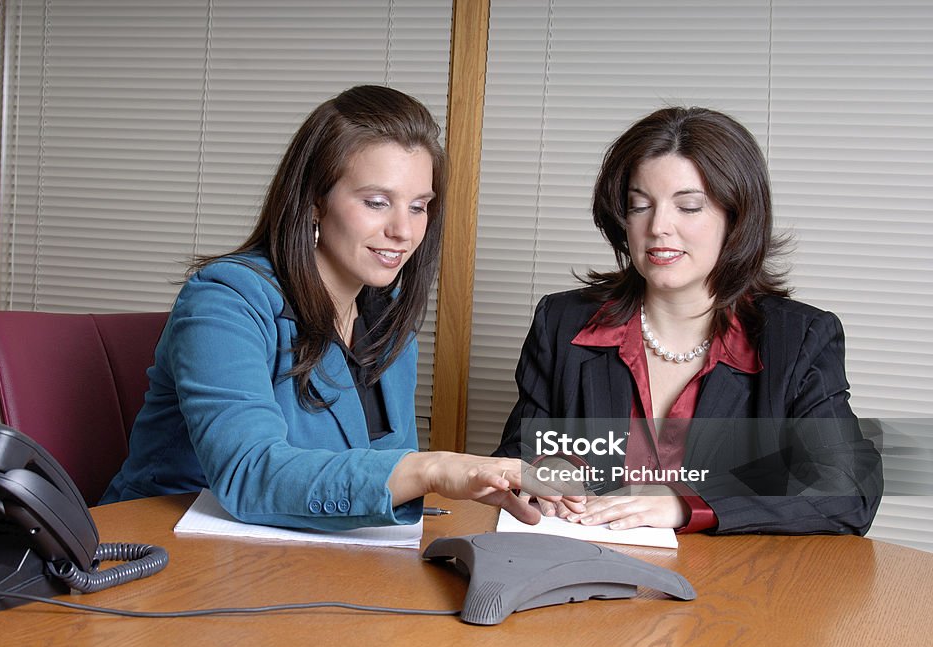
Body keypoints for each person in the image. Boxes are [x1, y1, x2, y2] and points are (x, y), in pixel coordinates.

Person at [102, 85, 564, 529]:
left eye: (419, 206)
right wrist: (433, 467)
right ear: (314, 202)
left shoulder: (388, 310)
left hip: (307, 552)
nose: (404, 231)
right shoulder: (223, 299)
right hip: (163, 550)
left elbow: (377, 476)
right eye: (377, 202)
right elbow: (248, 472)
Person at [496, 106, 883, 535]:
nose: (659, 227)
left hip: (732, 591)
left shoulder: (798, 339)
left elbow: (848, 488)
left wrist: (687, 504)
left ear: (735, 217)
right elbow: (521, 450)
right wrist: (547, 468)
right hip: (584, 575)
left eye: (689, 207)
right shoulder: (563, 322)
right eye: (640, 206)